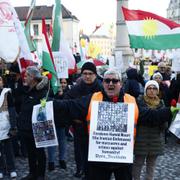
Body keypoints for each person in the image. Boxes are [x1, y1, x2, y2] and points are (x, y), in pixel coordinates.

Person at [53, 69, 139, 180]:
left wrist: (167, 112)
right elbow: (70, 105)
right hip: (99, 159)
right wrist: (49, 103)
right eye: (107, 81)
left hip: (122, 158)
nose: (110, 83)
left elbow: (149, 115)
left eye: (114, 81)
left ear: (121, 84)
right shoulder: (92, 98)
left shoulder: (132, 100)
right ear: (103, 83)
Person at [132, 80, 178, 180]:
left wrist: (167, 117)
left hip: (156, 140)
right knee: (138, 163)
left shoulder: (161, 104)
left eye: (154, 88)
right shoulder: (139, 102)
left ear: (157, 91)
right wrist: (158, 116)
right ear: (145, 90)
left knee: (151, 164)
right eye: (149, 88)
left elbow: (164, 125)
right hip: (141, 139)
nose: (152, 90)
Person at [64, 62, 102, 178]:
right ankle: (81, 169)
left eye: (90, 73)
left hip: (97, 130)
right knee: (80, 152)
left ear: (95, 75)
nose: (87, 76)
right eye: (85, 73)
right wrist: (74, 119)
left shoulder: (101, 88)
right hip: (80, 128)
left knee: (95, 154)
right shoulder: (75, 89)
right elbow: (67, 105)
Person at [17, 66, 48, 180]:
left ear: (33, 78)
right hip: (26, 129)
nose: (24, 78)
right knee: (30, 153)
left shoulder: (42, 92)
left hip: (37, 129)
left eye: (26, 76)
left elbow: (44, 109)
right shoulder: (26, 90)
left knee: (40, 153)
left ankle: (40, 175)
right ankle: (32, 173)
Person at [0, 76, 17, 179]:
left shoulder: (7, 93)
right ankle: (1, 169)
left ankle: (12, 169)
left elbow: (12, 110)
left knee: (8, 149)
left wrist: (13, 125)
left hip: (5, 124)